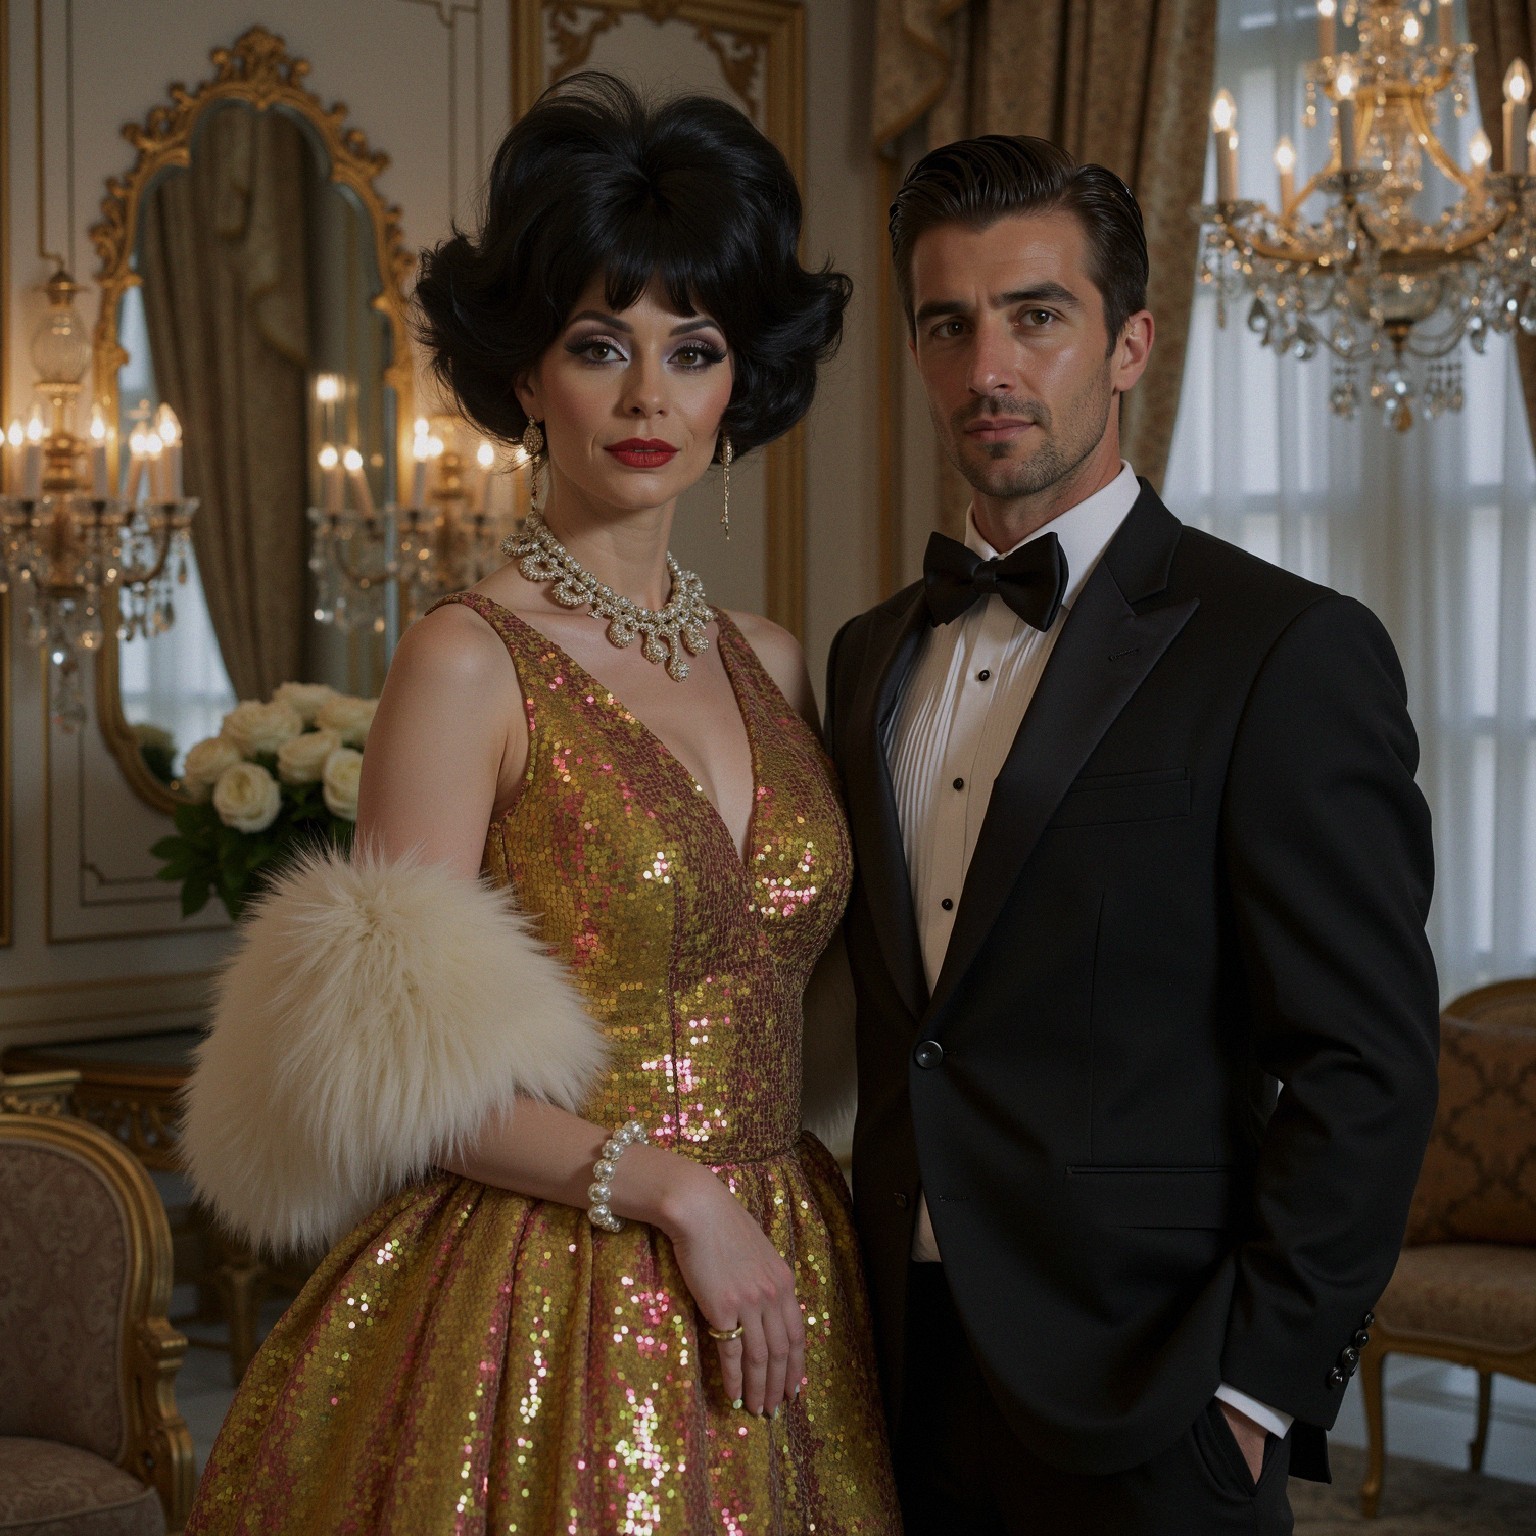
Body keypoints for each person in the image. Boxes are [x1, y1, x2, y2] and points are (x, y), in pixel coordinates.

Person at [180, 74, 900, 1535]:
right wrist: (681, 1199)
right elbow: (400, 1072)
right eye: (598, 346)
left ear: (737, 387)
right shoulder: (467, 660)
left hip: (788, 1258)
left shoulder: (767, 659)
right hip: (556, 1281)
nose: (647, 397)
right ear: (526, 377)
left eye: (691, 351)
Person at [822, 133, 1441, 1535]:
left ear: (1129, 343)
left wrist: (1253, 1392)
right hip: (897, 1375)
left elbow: (1369, 1062)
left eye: (1037, 316)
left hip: (1156, 1399)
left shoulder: (1286, 650)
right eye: (949, 323)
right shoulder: (867, 660)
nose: (990, 367)